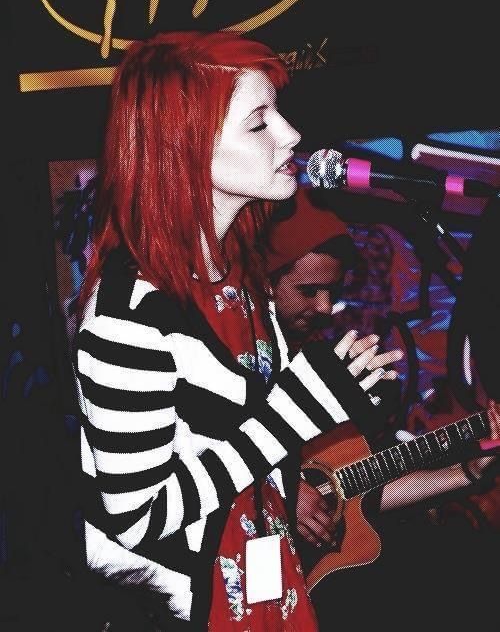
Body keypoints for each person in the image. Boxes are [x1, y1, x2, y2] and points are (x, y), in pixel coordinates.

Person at [73, 31, 395, 631]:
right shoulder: (130, 314)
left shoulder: (239, 275)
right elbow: (139, 515)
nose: (291, 135)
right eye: (259, 123)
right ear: (184, 152)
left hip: (263, 582)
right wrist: (299, 412)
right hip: (182, 607)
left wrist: (337, 398)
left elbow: (246, 441)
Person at [265, 187, 500, 627]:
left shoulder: (318, 359)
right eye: (308, 290)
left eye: (332, 291)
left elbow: (358, 492)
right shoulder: (240, 364)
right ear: (264, 281)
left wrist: (468, 473)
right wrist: (279, 491)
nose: (325, 307)